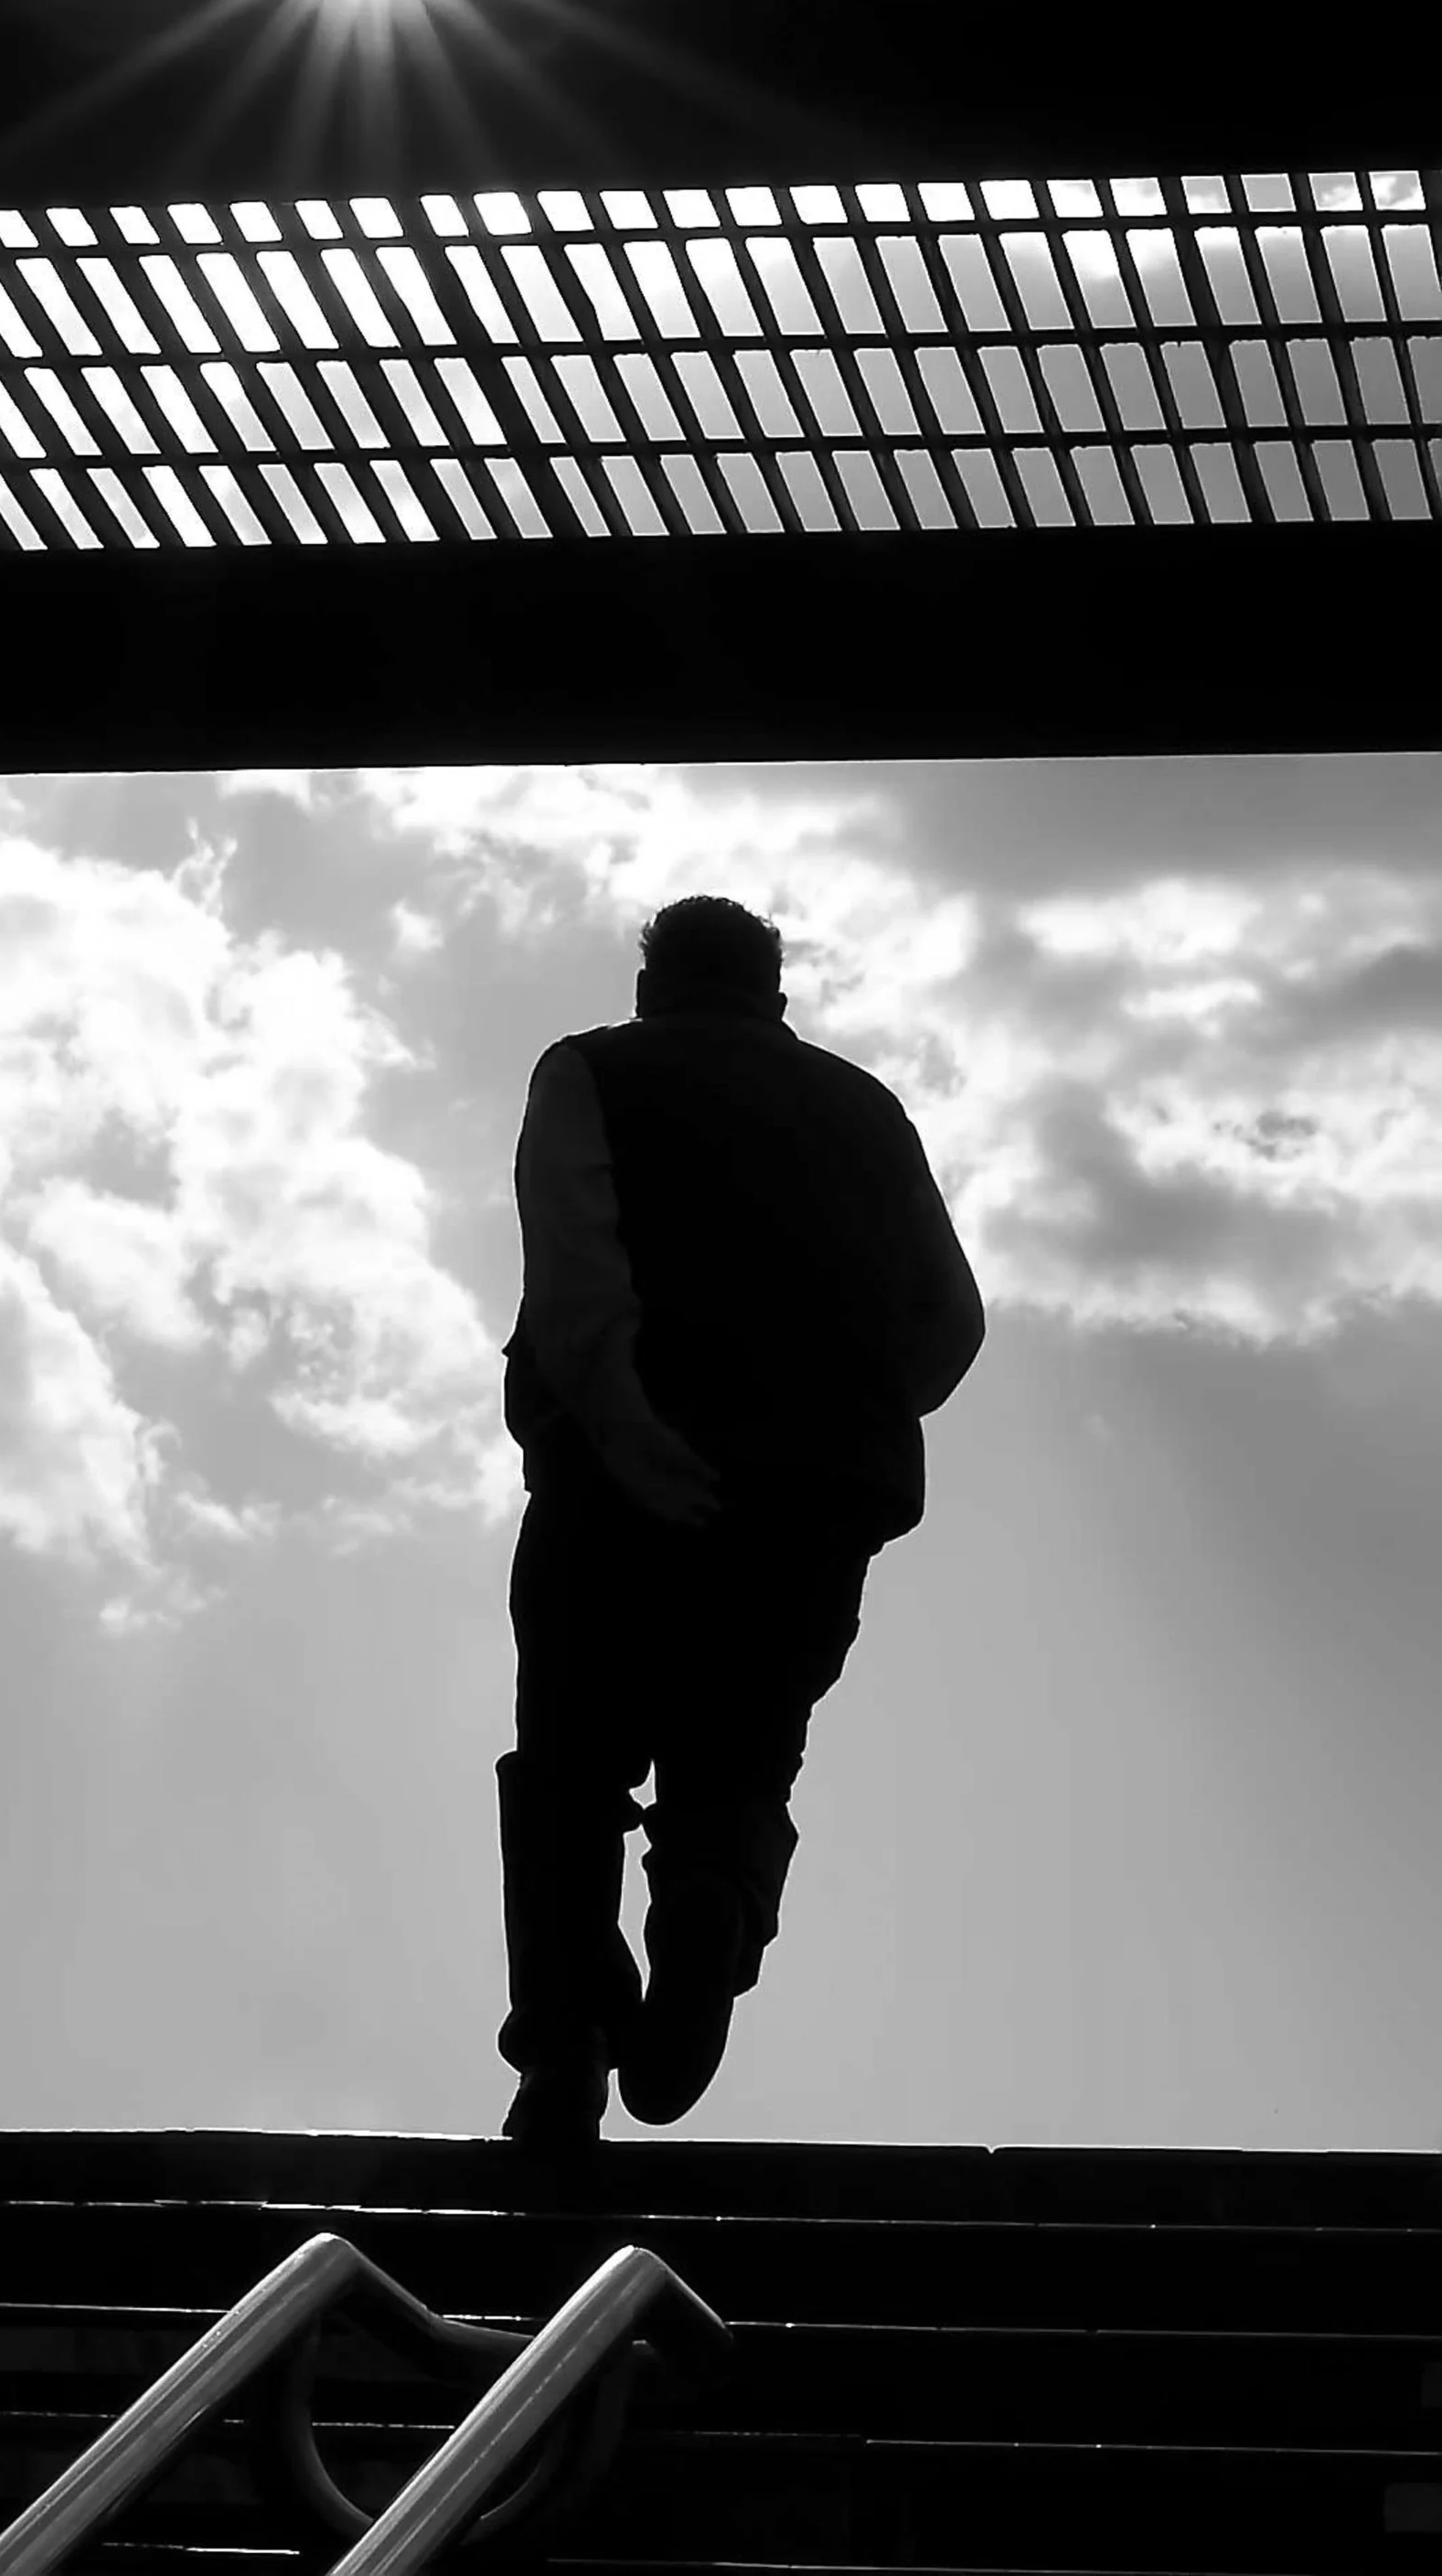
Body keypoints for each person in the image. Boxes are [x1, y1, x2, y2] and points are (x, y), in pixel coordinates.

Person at [496, 895, 984, 2155]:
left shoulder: (589, 1071)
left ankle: (563, 2048)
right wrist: (841, 1423)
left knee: (570, 1765)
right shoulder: (867, 1108)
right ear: (775, 994)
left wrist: (630, 1431)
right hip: (810, 1507)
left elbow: (576, 1269)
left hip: (617, 1488)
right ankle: (708, 1902)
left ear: (654, 986)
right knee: (741, 1751)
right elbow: (950, 1317)